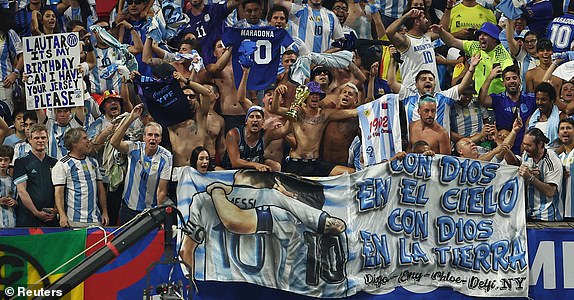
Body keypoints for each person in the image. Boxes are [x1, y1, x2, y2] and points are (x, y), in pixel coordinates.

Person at [179, 169, 346, 283]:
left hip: (221, 288)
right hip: (267, 288)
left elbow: (186, 251)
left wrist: (217, 190)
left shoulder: (202, 201)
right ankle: (320, 219)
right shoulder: (280, 212)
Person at [272, 82, 357, 176]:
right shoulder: (298, 111)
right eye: (312, 94)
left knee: (351, 172)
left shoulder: (325, 114)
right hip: (297, 163)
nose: (315, 97)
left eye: (317, 94)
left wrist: (373, 105)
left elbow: (352, 113)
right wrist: (277, 93)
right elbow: (276, 109)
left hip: (315, 163)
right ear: (306, 97)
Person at [110, 104, 173, 225]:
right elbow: (114, 142)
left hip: (150, 211)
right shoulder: (134, 148)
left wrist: (159, 215)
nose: (153, 138)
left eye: (156, 135)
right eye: (149, 135)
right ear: (143, 137)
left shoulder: (166, 157)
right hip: (128, 208)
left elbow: (161, 190)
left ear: (160, 139)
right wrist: (131, 117)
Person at [431, 21, 514, 95]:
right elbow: (452, 41)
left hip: (496, 102)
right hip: (478, 98)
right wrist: (441, 32)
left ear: (494, 39)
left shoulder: (503, 57)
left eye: (485, 35)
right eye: (480, 34)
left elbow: (510, 80)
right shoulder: (475, 46)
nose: (481, 37)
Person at [52, 128, 108, 227]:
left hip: (96, 219)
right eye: (84, 138)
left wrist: (105, 212)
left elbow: (101, 189)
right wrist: (62, 215)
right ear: (74, 143)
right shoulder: (62, 164)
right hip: (74, 220)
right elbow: (59, 192)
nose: (88, 141)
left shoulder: (93, 162)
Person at [478, 65, 538, 154]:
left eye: (514, 78)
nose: (511, 81)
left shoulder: (530, 98)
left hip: (526, 149)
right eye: (508, 79)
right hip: (504, 149)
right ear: (503, 83)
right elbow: (482, 99)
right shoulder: (499, 99)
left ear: (519, 81)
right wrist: (490, 77)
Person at [14, 124, 58, 227]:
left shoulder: (55, 163)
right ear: (30, 140)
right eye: (36, 138)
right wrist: (36, 213)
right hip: (28, 218)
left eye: (43, 137)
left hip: (50, 218)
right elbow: (21, 191)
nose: (40, 140)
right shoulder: (21, 162)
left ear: (47, 139)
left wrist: (55, 210)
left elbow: (58, 190)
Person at [386, 8, 440, 91]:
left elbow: (442, 29)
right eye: (423, 18)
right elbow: (389, 32)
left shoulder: (427, 37)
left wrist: (448, 8)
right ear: (417, 22)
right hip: (413, 92)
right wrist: (406, 16)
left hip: (433, 89)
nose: (427, 21)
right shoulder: (406, 41)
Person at [222, 106, 288, 171]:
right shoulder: (234, 134)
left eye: (258, 117)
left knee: (275, 166)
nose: (255, 120)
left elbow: (286, 130)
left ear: (263, 122)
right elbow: (235, 162)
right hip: (231, 170)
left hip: (253, 169)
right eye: (251, 117)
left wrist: (292, 113)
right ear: (246, 121)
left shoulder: (266, 135)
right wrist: (255, 165)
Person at [519, 128, 563, 221]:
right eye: (524, 144)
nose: (525, 148)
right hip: (529, 214)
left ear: (540, 144)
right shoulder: (527, 155)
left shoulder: (552, 160)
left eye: (529, 145)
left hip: (548, 217)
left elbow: (550, 192)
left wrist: (531, 178)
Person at [276, 0, 344, 53]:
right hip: (301, 63)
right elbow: (278, 2)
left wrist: (325, 55)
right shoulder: (297, 10)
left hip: (322, 65)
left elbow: (339, 44)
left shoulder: (331, 16)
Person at [0, 145, 16, 228]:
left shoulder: (13, 181)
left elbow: (17, 200)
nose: (2, 163)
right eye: (0, 160)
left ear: (10, 160)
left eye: (6, 160)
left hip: (11, 223)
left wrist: (14, 202)